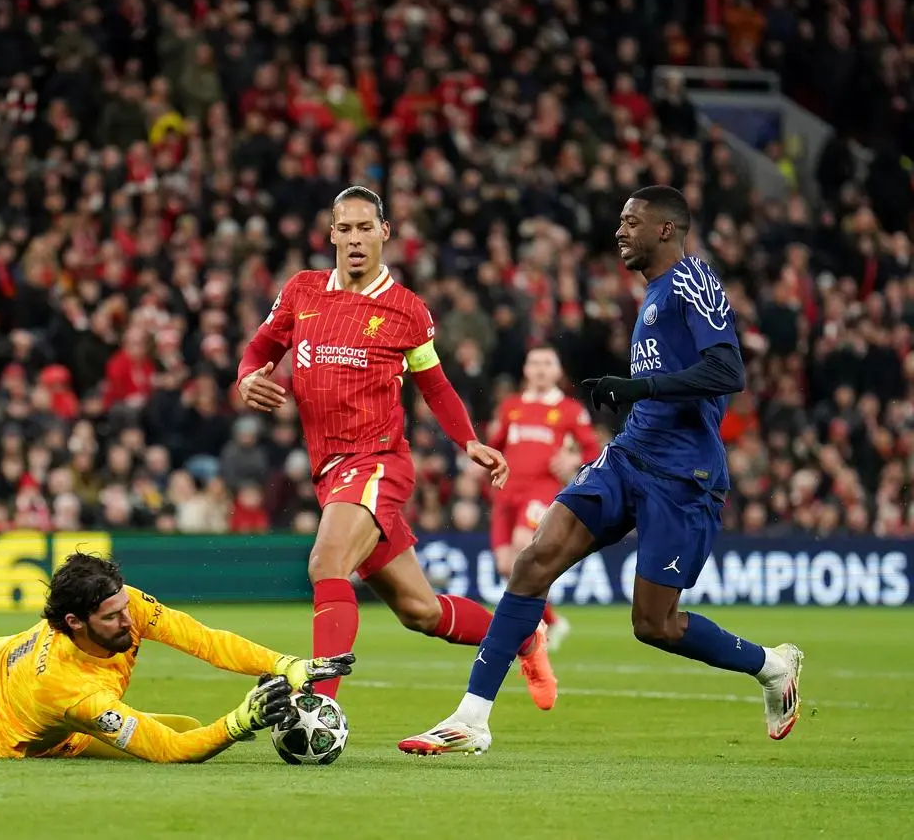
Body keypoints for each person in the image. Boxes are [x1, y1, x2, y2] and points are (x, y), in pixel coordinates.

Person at [398, 185, 803, 755]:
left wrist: (641, 387)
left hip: (684, 477)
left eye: (631, 221)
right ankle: (472, 718)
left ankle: (771, 668)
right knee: (534, 561)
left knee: (654, 625)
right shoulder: (654, 294)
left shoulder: (694, 279)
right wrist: (639, 397)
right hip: (628, 458)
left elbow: (727, 369)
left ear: (665, 229)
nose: (619, 231)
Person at [237, 186, 556, 710]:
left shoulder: (406, 310)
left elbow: (434, 384)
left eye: (366, 228)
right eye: (346, 228)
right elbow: (258, 350)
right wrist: (247, 377)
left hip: (377, 461)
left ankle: (319, 704)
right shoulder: (301, 292)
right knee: (420, 610)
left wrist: (469, 440)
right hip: (330, 472)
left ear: (385, 232)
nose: (356, 239)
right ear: (331, 234)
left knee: (326, 562)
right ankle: (524, 637)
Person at [0, 554, 355, 763]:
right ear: (76, 622)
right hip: (23, 732)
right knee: (188, 735)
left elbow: (204, 639)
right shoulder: (72, 691)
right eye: (113, 617)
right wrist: (242, 721)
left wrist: (287, 664)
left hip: (13, 656)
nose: (129, 620)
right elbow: (167, 749)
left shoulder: (124, 606)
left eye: (126, 606)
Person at [485, 344, 602, 650]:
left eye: (547, 363)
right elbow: (495, 444)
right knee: (505, 565)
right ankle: (550, 621)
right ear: (525, 369)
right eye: (534, 362)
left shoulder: (569, 410)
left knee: (524, 545)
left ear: (558, 371)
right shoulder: (510, 406)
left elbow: (592, 450)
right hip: (507, 491)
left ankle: (528, 625)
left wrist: (573, 461)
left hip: (542, 489)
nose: (539, 369)